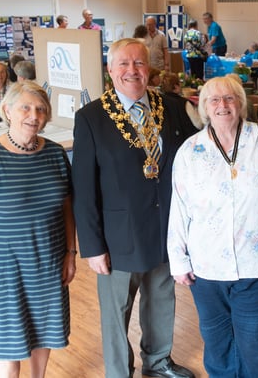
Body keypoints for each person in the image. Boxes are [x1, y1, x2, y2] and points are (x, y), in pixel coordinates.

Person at [71, 38, 197, 378]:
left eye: (139, 63)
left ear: (149, 69)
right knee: (116, 314)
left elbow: (197, 155)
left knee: (161, 304)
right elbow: (82, 190)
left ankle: (157, 363)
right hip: (117, 238)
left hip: (165, 231)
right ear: (110, 69)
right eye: (123, 64)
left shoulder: (171, 107)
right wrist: (93, 247)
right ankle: (118, 372)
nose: (132, 71)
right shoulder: (91, 118)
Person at [167, 75, 258, 378]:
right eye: (214, 100)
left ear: (241, 104)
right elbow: (179, 208)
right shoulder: (190, 151)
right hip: (206, 268)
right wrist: (178, 259)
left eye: (229, 98)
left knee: (254, 341)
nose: (222, 105)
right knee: (217, 342)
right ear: (204, 108)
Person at [0, 81, 76, 378]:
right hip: (5, 272)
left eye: (40, 109)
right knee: (8, 344)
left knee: (43, 334)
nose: (33, 115)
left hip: (48, 267)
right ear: (8, 110)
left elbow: (66, 208)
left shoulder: (55, 154)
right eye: (25, 107)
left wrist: (70, 254)